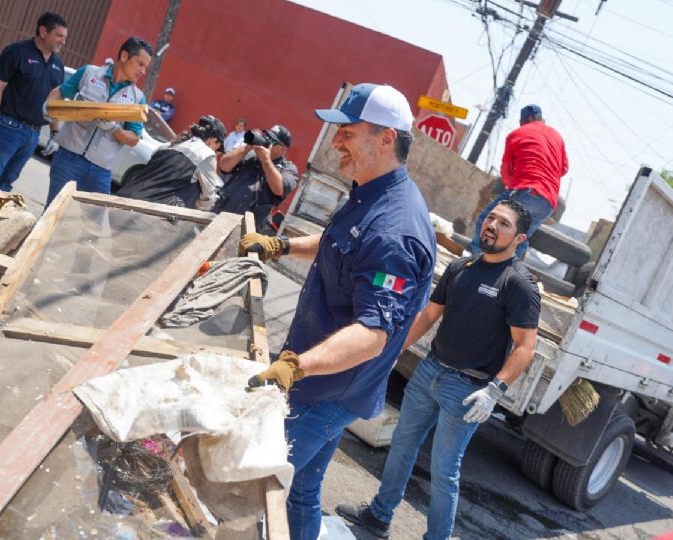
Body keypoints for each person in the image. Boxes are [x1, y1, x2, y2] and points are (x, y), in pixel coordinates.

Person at [240, 83, 436, 540]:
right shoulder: (370, 192)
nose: (335, 143)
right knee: (301, 492)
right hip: (322, 379)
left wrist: (295, 367)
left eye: (347, 133)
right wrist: (282, 245)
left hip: (326, 390)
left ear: (386, 137)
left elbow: (374, 334)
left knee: (251, 488)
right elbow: (339, 247)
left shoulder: (396, 229)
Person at [336, 199, 540, 540]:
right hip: (430, 371)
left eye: (503, 223)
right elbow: (429, 315)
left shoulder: (518, 283)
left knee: (445, 471)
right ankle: (378, 516)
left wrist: (494, 391)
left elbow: (525, 348)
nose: (491, 225)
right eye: (490, 217)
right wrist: (392, 350)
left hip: (467, 390)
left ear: (519, 239)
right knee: (402, 444)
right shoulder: (462, 267)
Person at [44, 37, 153, 207]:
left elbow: (133, 139)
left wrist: (113, 129)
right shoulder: (88, 73)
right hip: (67, 159)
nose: (143, 71)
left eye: (145, 66)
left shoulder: (137, 98)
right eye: (140, 64)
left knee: (93, 227)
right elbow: (59, 93)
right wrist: (51, 118)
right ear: (124, 56)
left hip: (100, 171)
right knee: (52, 215)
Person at [0, 12, 67, 193]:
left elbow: (54, 102)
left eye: (65, 37)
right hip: (8, 128)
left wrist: (55, 134)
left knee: (7, 182)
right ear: (43, 31)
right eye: (59, 35)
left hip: (33, 135)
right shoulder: (16, 51)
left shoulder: (58, 66)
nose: (63, 41)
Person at [471, 104, 568, 259]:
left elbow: (506, 173)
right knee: (519, 238)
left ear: (525, 120)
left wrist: (515, 182)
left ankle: (475, 265)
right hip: (548, 203)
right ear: (540, 119)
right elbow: (563, 169)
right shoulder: (556, 135)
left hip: (527, 191)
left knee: (486, 221)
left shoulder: (517, 134)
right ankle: (506, 275)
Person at [116, 115, 226, 210]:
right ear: (213, 140)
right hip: (151, 212)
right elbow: (208, 198)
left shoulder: (166, 146)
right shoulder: (207, 154)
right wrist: (201, 204)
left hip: (126, 195)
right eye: (217, 148)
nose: (216, 152)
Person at [214, 124, 298, 232]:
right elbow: (223, 166)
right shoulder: (250, 154)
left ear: (283, 150)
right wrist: (246, 148)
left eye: (272, 141)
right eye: (266, 136)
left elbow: (279, 189)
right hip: (219, 216)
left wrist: (266, 160)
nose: (267, 141)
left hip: (245, 230)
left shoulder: (288, 169)